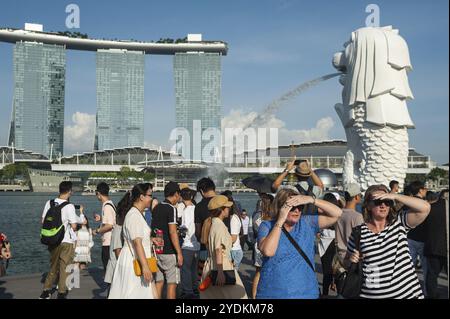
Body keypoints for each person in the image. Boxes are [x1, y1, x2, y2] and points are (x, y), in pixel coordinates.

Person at [345, 184, 431, 299]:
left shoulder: (399, 223)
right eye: (378, 201)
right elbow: (346, 262)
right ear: (368, 205)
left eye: (387, 201)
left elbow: (425, 208)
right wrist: (351, 260)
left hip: (408, 295)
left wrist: (395, 196)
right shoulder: (358, 232)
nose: (383, 205)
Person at [256, 187, 342, 299]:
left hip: (306, 292)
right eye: (292, 207)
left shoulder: (307, 222)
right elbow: (268, 251)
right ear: (280, 207)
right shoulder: (267, 226)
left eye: (300, 207)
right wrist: (280, 220)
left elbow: (338, 214)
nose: (297, 211)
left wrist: (311, 200)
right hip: (273, 293)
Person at [108, 183, 161, 299]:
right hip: (135, 261)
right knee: (135, 293)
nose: (151, 199)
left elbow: (137, 239)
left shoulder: (136, 214)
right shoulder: (134, 216)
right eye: (150, 195)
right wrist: (145, 267)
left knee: (147, 293)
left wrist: (151, 240)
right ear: (142, 197)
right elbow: (137, 243)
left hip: (135, 259)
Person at [39, 181, 86, 299]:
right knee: (65, 268)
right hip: (66, 241)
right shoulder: (69, 206)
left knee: (53, 266)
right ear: (69, 191)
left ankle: (46, 291)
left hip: (52, 240)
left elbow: (43, 221)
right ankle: (61, 292)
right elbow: (74, 226)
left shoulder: (49, 203)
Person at [200, 195, 248, 299]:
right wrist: (220, 272)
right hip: (222, 266)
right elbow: (218, 250)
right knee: (238, 296)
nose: (229, 209)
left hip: (211, 266)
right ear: (221, 209)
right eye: (227, 207)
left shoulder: (212, 223)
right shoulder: (219, 225)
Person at [151, 181, 183, 299]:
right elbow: (172, 231)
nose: (179, 198)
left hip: (156, 251)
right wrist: (179, 253)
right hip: (169, 252)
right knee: (171, 284)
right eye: (179, 195)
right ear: (175, 194)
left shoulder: (156, 207)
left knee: (158, 282)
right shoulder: (171, 209)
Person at [424, 190, 448, 298]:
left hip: (433, 246)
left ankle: (432, 295)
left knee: (432, 274)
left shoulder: (430, 208)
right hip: (446, 246)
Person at [406, 181, 429, 294]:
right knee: (426, 270)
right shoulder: (424, 204)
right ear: (420, 190)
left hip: (410, 238)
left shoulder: (407, 203)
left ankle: (407, 290)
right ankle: (426, 292)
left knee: (409, 267)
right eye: (424, 189)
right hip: (423, 240)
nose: (426, 191)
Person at [334, 183, 364, 268]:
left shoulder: (338, 213)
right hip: (352, 257)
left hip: (339, 256)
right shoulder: (357, 216)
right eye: (360, 195)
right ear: (356, 197)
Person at [318, 193, 341, 297]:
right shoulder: (337, 211)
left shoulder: (324, 212)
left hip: (327, 241)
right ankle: (336, 292)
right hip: (334, 241)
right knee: (335, 269)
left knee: (327, 270)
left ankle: (325, 293)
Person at [251, 193, 273, 299]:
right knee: (270, 270)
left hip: (258, 244)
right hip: (271, 244)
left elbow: (255, 230)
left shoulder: (256, 215)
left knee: (258, 272)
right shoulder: (273, 216)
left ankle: (255, 296)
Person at [179, 186, 200, 299]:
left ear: (182, 197)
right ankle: (195, 289)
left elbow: (184, 228)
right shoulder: (196, 208)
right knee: (194, 270)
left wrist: (178, 230)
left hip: (187, 244)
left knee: (186, 270)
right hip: (197, 245)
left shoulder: (186, 210)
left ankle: (187, 292)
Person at [194, 178, 217, 279]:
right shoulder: (224, 202)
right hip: (223, 248)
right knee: (221, 281)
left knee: (203, 280)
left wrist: (201, 238)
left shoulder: (199, 206)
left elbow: (198, 231)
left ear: (202, 191)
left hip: (205, 248)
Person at [92, 182, 116, 273]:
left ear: (98, 193)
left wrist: (97, 230)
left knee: (108, 268)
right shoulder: (110, 204)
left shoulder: (107, 206)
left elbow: (109, 226)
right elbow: (112, 220)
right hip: (111, 241)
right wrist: (102, 219)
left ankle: (110, 287)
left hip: (108, 242)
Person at [221, 190, 244, 271]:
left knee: (231, 276)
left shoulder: (233, 218)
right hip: (233, 250)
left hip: (233, 251)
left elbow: (233, 238)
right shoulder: (230, 218)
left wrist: (221, 246)